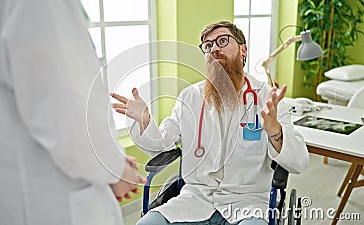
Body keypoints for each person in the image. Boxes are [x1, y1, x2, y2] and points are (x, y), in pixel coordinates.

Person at [0, 0, 146, 225]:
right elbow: (72, 118)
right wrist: (114, 168)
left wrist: (111, 161)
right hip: (50, 205)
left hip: (4, 198)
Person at [111, 21, 309, 225]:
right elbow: (162, 144)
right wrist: (145, 122)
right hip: (195, 199)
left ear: (243, 50)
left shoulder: (267, 99)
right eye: (207, 45)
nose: (214, 49)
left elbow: (299, 162)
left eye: (222, 41)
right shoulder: (190, 97)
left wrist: (275, 130)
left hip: (248, 202)